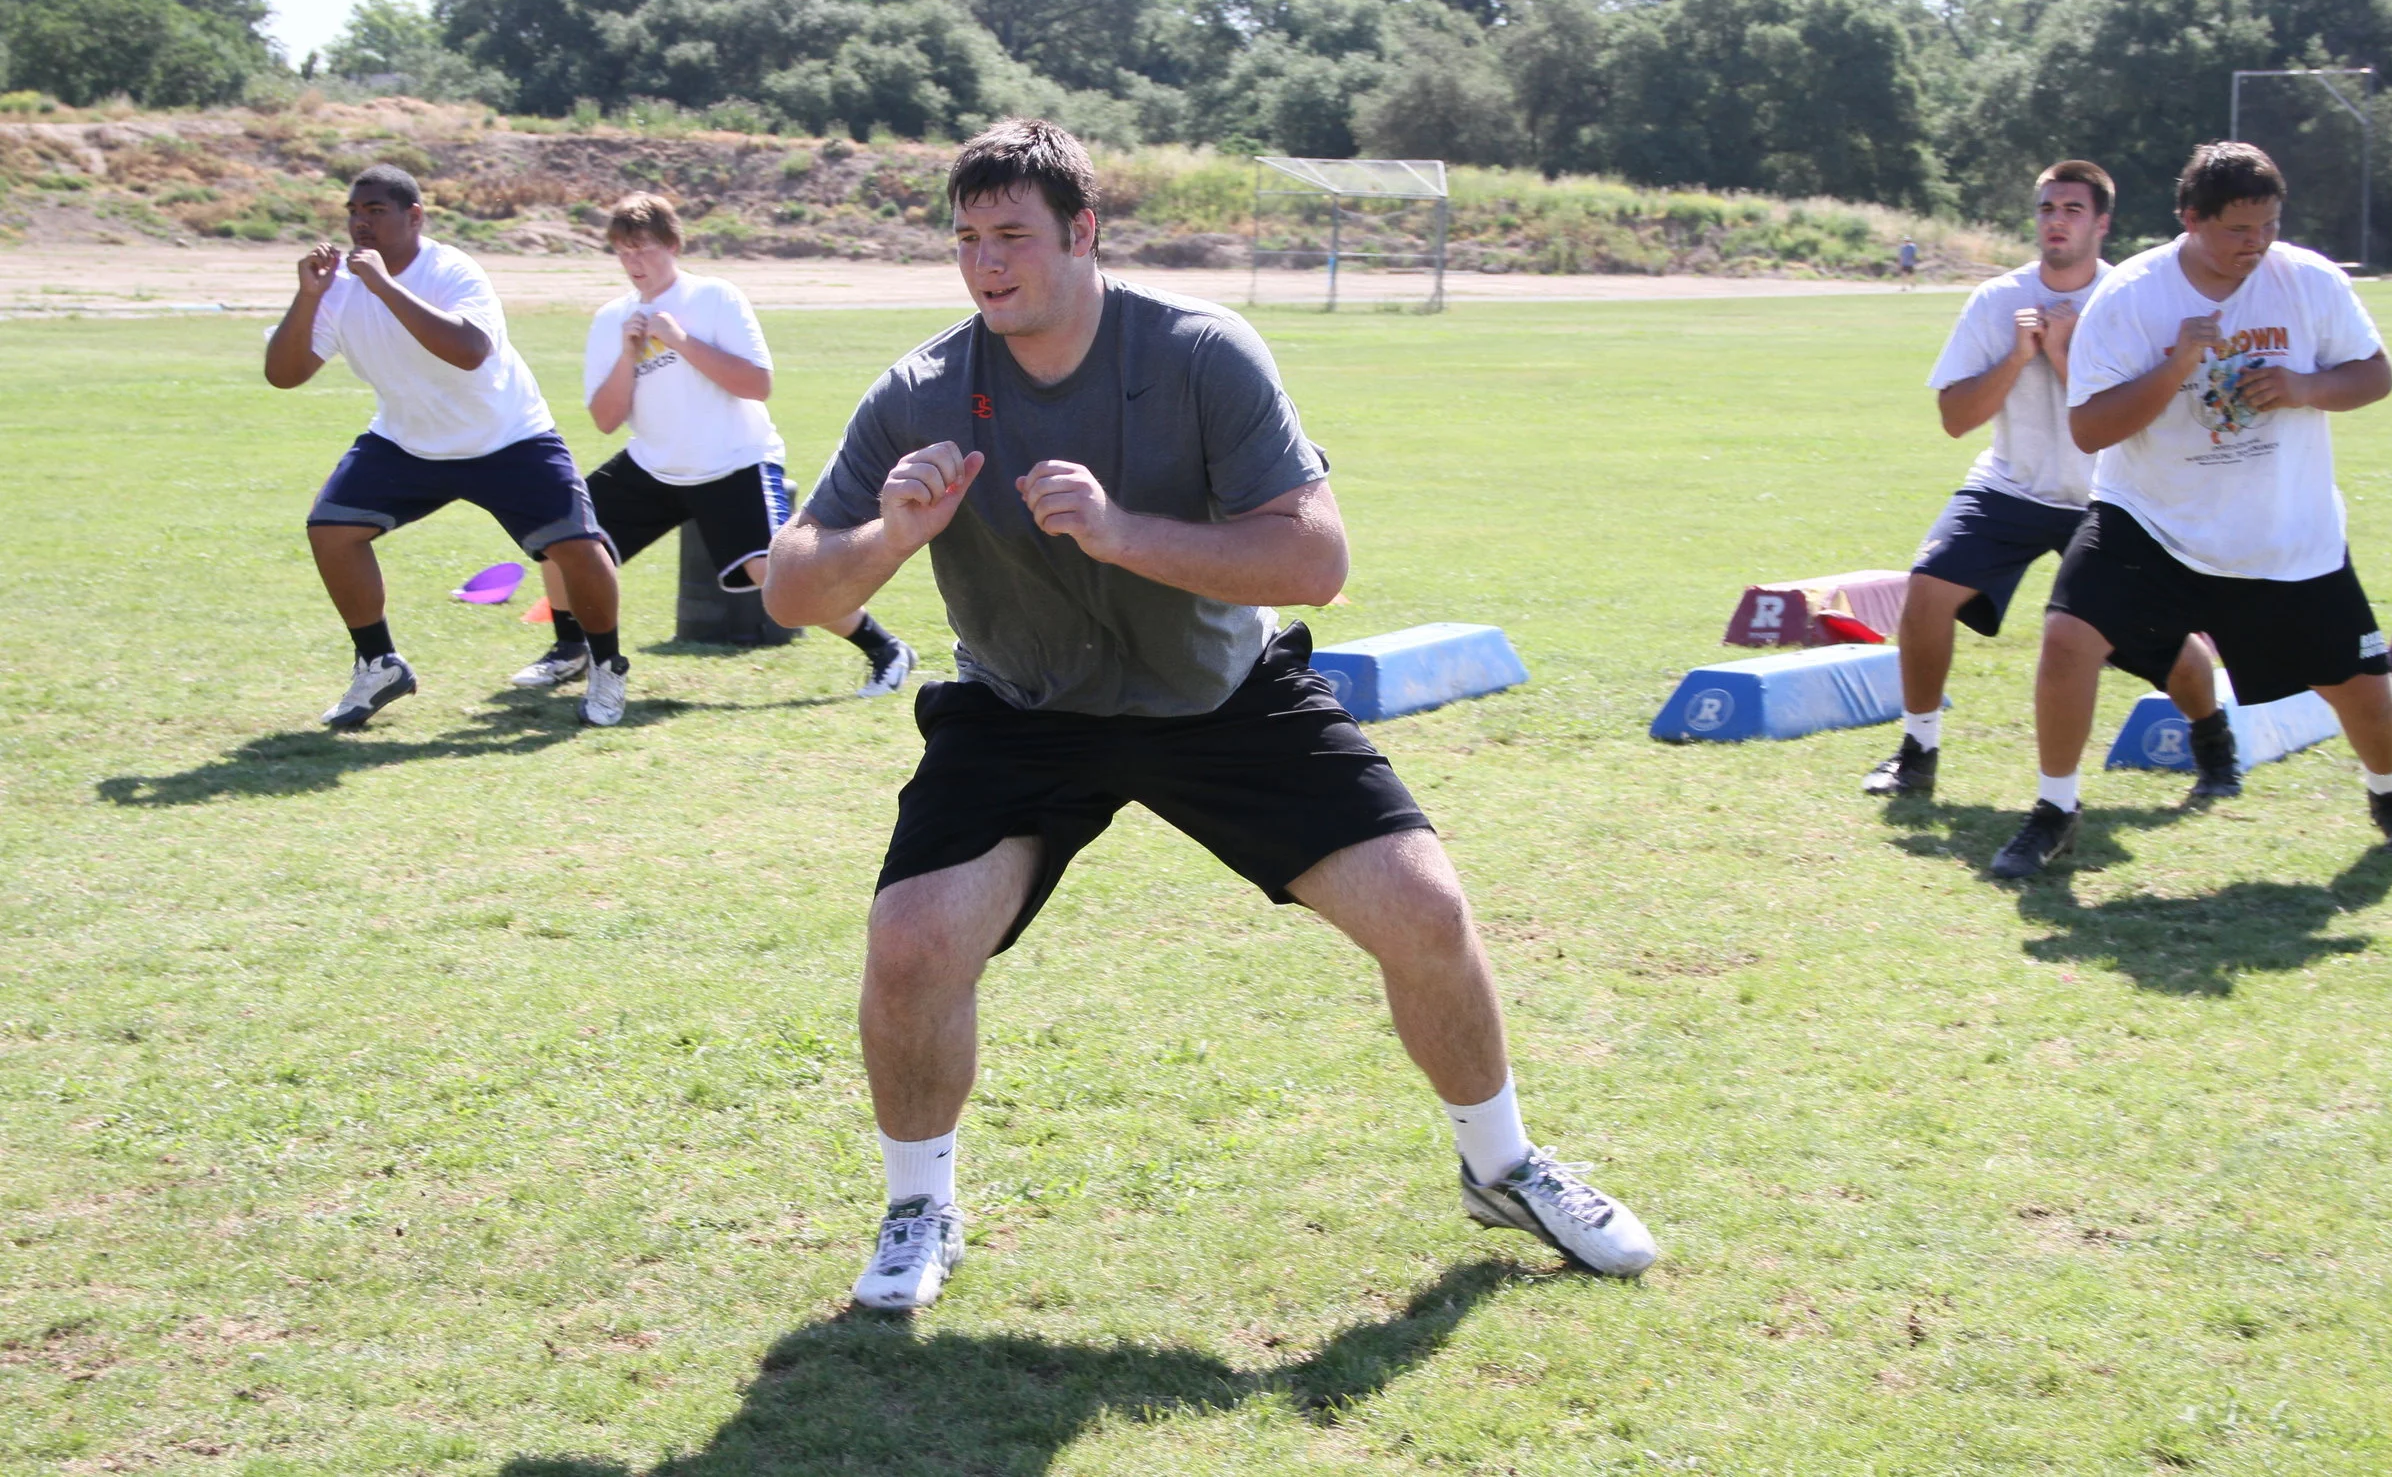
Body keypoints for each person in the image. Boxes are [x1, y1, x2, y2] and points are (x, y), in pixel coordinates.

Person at [764, 119, 1656, 1311]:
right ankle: (918, 1203)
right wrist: (891, 536)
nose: (986, 264)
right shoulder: (925, 387)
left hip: (1219, 693)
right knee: (913, 942)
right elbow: (792, 588)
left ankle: (1500, 1164)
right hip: (1022, 707)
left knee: (1425, 907)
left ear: (1083, 232)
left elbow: (1317, 559)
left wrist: (1124, 533)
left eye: (1013, 236)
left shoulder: (1199, 352)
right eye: (967, 239)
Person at [1989, 142, 2392, 878]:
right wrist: (2175, 367)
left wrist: (2304, 387)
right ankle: (2054, 809)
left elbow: (2375, 374)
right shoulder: (2132, 295)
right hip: (2154, 520)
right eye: (2237, 229)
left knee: (2357, 684)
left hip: (2284, 528)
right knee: (2067, 636)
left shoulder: (2308, 279)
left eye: (2268, 225)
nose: (2255, 244)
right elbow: (2091, 429)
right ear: (2189, 219)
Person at [1863, 161, 2226, 799]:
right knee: (1926, 590)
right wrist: (2017, 355)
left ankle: (2215, 743)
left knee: (2156, 640)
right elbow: (1954, 419)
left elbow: (2126, 415)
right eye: (2047, 209)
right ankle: (1917, 751)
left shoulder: (2131, 300)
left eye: (2073, 210)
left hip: (2110, 497)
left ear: (2102, 223)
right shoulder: (1997, 299)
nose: (2056, 222)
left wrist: (2063, 353)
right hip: (2010, 486)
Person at [264, 165, 629, 728]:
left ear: (415, 217)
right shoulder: (337, 289)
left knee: (579, 550)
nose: (361, 223)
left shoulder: (452, 269)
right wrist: (309, 298)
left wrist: (383, 285)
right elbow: (283, 376)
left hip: (508, 437)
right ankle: (378, 663)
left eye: (376, 211)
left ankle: (606, 665)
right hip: (407, 442)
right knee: (331, 530)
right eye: (354, 213)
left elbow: (468, 349)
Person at [511, 193, 916, 698]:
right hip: (655, 466)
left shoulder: (715, 298)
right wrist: (627, 353)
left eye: (644, 249)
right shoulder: (611, 319)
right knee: (563, 537)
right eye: (623, 252)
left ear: (674, 244)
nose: (634, 263)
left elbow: (757, 384)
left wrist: (679, 340)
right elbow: (606, 419)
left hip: (735, 462)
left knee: (777, 577)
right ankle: (569, 651)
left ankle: (885, 649)